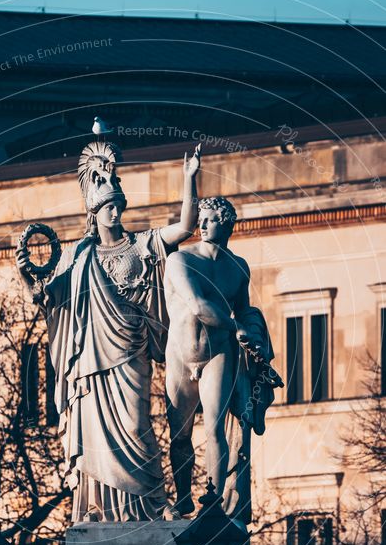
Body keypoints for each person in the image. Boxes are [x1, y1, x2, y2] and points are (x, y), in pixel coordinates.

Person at [20, 132, 201, 522]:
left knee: (138, 428)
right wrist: (27, 277)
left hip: (131, 353)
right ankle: (97, 506)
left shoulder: (142, 244)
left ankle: (150, 502)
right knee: (95, 436)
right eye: (107, 208)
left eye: (117, 205)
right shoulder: (78, 256)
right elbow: (50, 300)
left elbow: (186, 226)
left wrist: (190, 178)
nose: (114, 213)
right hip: (91, 363)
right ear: (94, 211)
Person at [164, 196, 282, 520]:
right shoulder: (180, 261)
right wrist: (236, 325)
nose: (200, 225)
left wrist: (253, 330)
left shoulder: (238, 268)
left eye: (209, 219)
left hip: (217, 353)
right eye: (200, 218)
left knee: (215, 427)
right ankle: (184, 496)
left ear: (226, 223)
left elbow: (244, 308)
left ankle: (213, 500)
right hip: (179, 356)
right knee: (181, 434)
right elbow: (198, 304)